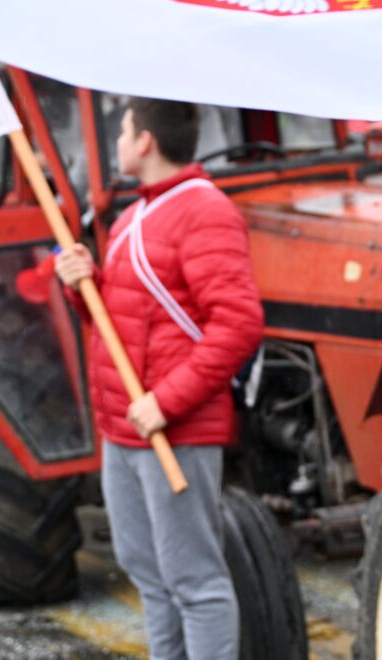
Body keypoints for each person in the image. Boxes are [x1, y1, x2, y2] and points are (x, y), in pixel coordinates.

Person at [55, 98, 263, 660]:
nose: (117, 142)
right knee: (149, 575)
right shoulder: (132, 216)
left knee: (195, 582)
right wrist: (83, 284)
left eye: (122, 131)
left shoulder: (204, 211)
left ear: (144, 141)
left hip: (173, 430)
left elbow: (239, 324)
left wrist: (167, 402)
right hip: (125, 430)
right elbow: (125, 321)